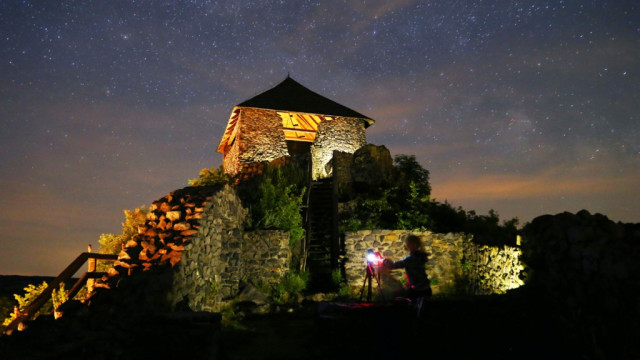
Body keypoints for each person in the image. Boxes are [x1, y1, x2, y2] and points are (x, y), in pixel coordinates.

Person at [383, 235, 432, 302]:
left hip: (419, 290)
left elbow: (394, 265)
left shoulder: (412, 258)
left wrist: (385, 261)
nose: (406, 245)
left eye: (408, 243)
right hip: (425, 288)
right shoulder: (419, 255)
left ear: (413, 244)